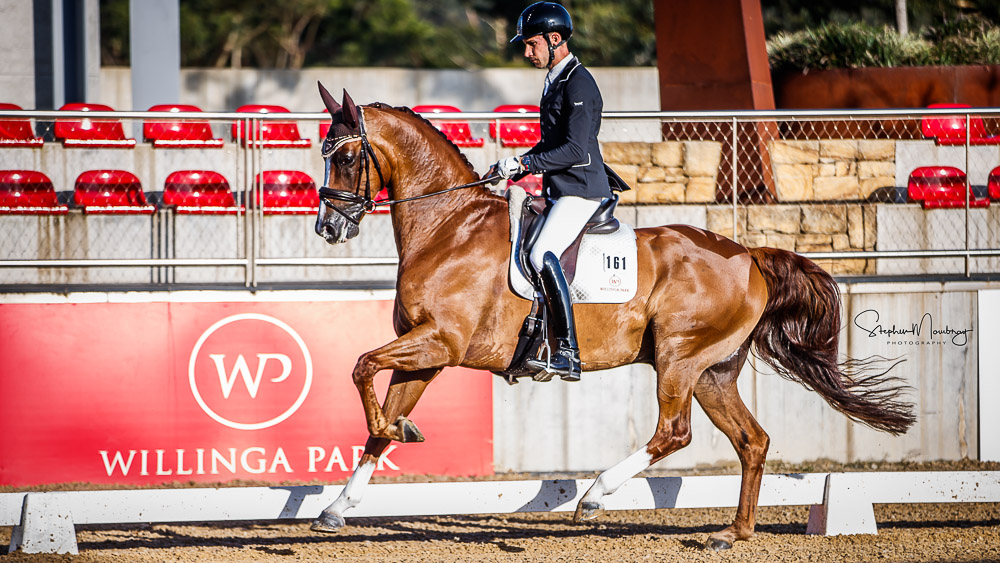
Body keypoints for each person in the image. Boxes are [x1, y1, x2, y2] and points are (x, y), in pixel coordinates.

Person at [491, 1, 615, 382]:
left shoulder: (578, 82)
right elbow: (551, 145)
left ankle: (568, 352)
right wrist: (515, 164)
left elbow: (576, 149)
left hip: (582, 190)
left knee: (542, 255)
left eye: (532, 45)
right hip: (562, 187)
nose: (527, 53)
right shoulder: (557, 78)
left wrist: (526, 165)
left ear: (554, 38)